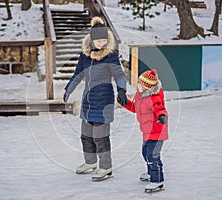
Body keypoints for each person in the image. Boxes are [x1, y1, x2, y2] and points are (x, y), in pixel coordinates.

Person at [63, 16, 128, 180]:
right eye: (99, 40)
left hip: (104, 100)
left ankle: (106, 167)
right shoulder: (85, 56)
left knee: (101, 137)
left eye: (104, 40)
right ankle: (90, 162)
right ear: (92, 40)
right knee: (86, 136)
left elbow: (119, 75)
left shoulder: (110, 56)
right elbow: (78, 74)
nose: (102, 43)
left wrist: (121, 91)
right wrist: (68, 90)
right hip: (88, 101)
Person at [118, 69, 168, 191]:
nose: (138, 85)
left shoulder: (154, 98)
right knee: (145, 153)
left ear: (147, 87)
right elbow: (135, 108)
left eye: (140, 84)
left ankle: (158, 180)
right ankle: (151, 173)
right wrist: (125, 103)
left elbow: (160, 108)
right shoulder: (140, 96)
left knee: (153, 155)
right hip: (147, 132)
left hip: (157, 131)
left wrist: (162, 116)